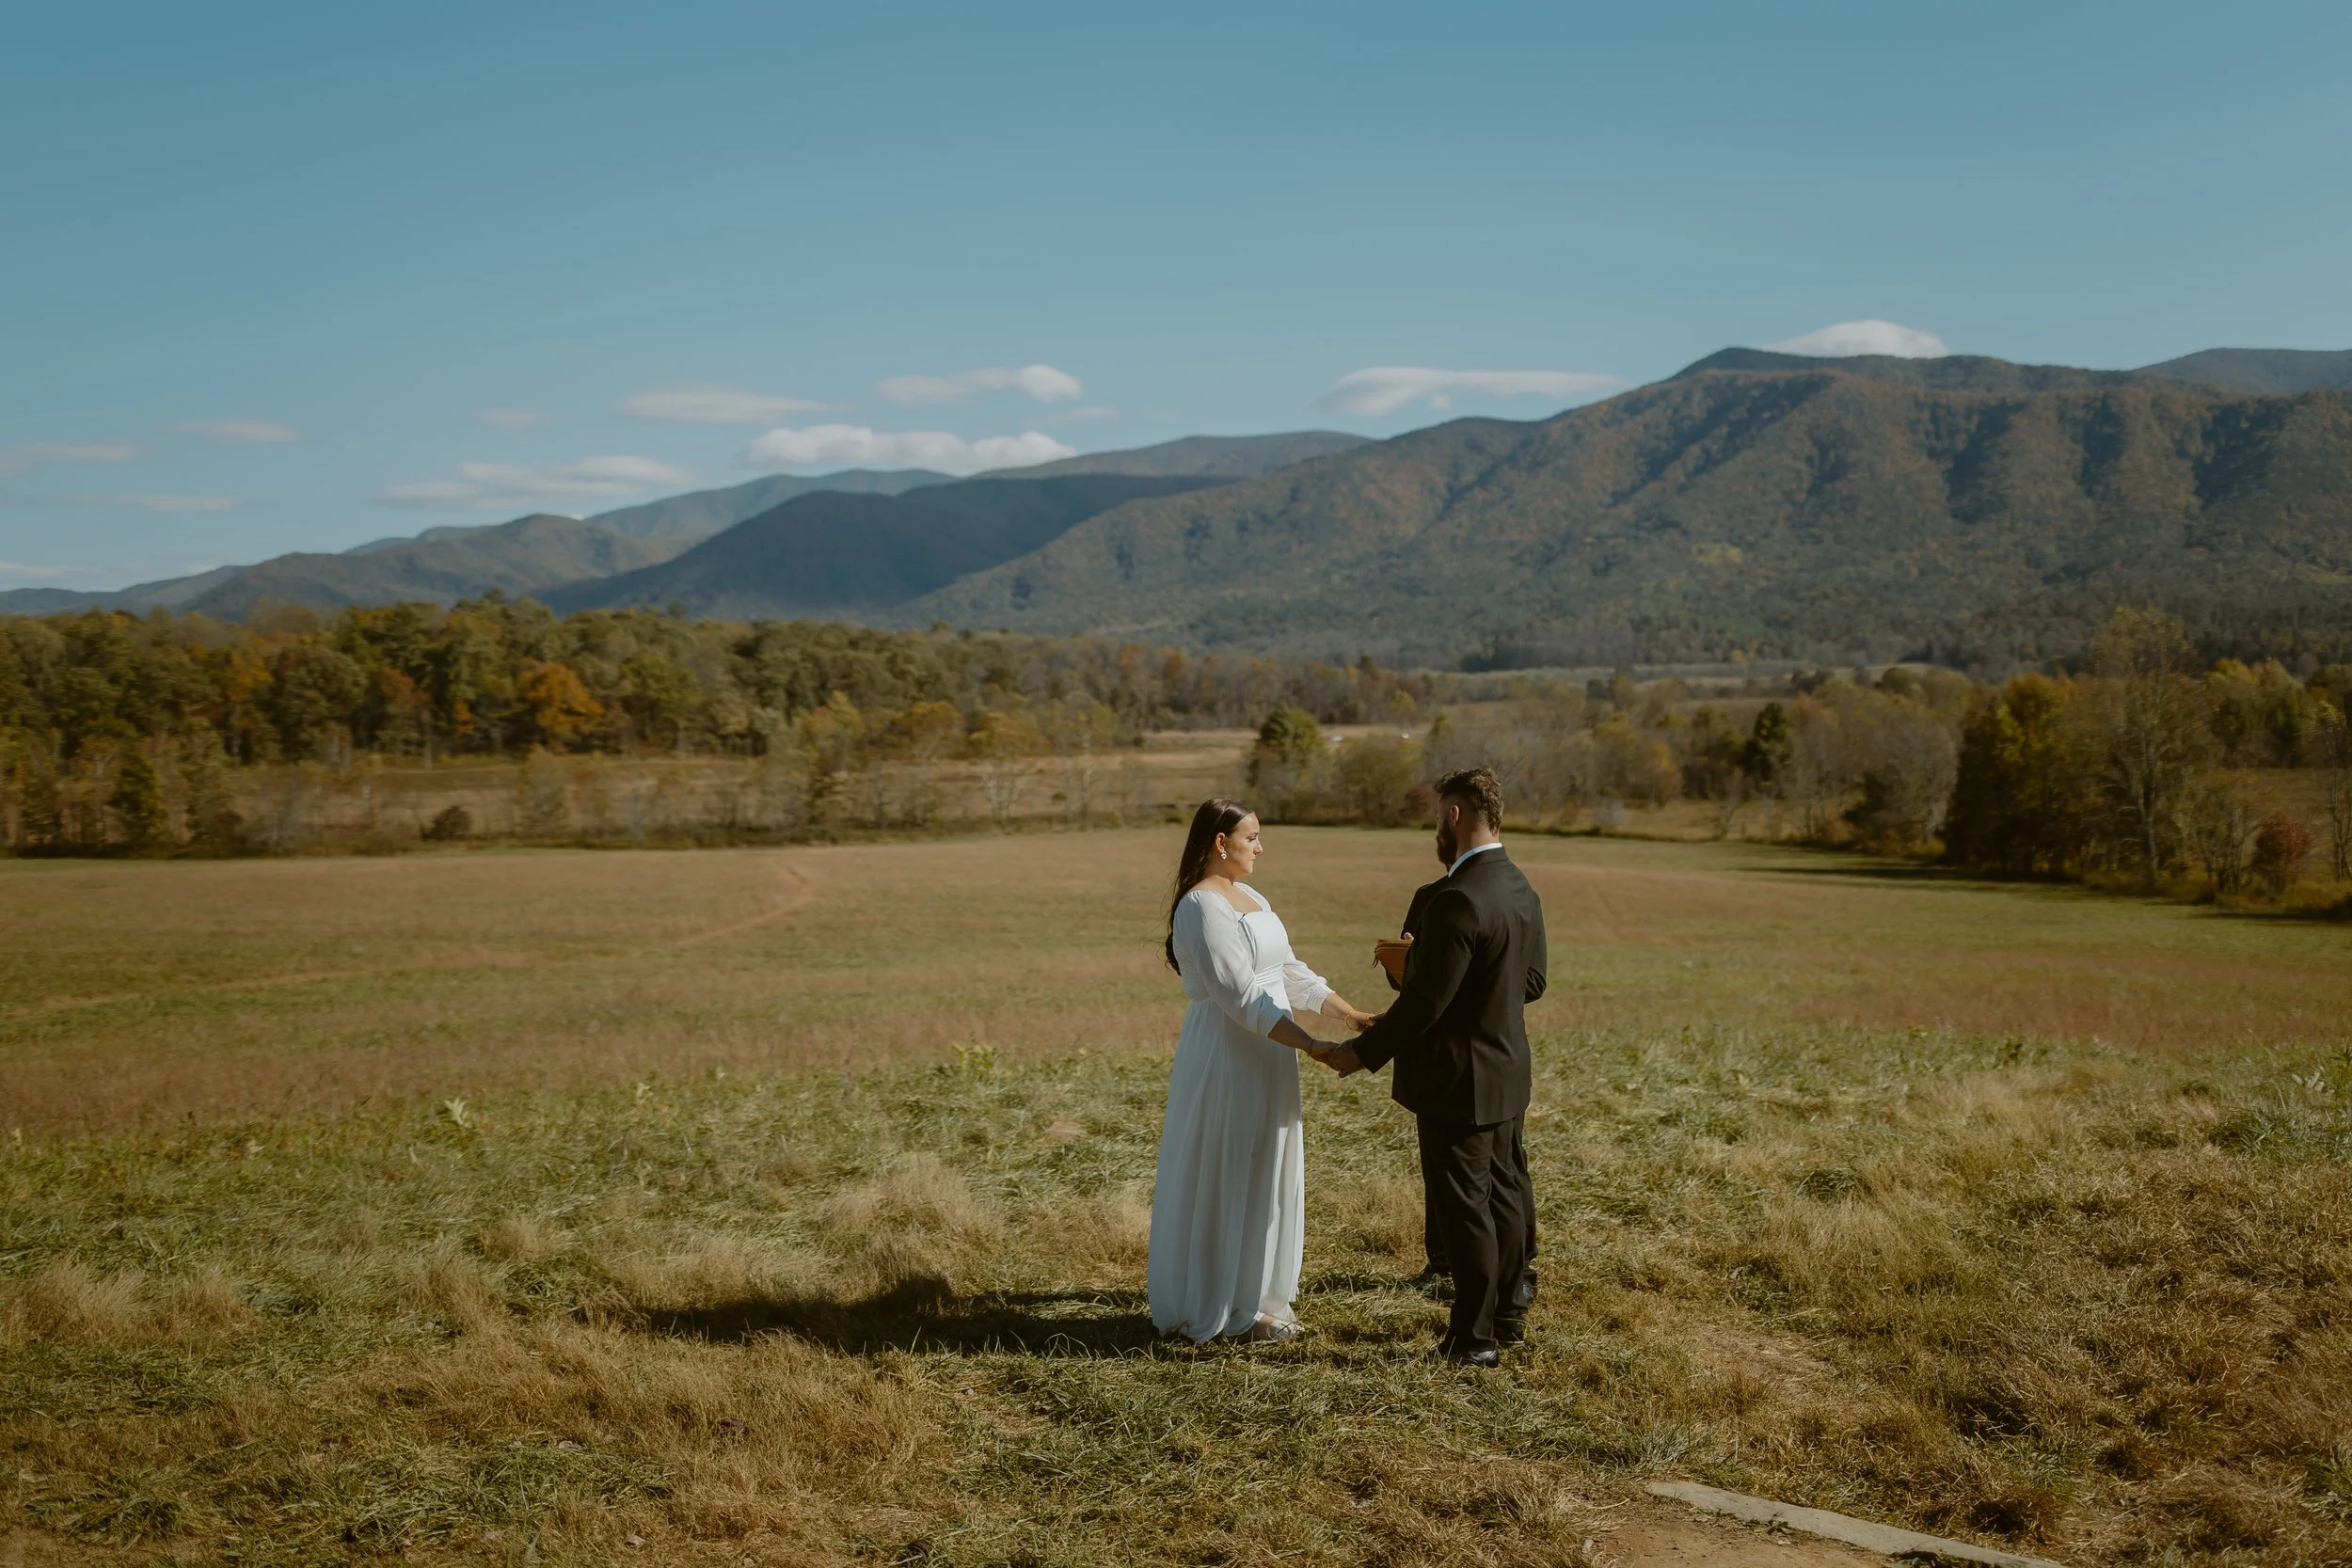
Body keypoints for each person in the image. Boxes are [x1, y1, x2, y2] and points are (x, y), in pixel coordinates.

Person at [1330, 768, 1548, 1367]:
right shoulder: (1519, 886)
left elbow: (1425, 1004)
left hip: (1458, 1079)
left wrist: (1361, 1054)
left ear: (1454, 814)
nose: (1436, 827)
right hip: (1507, 1070)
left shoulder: (1456, 898)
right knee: (1506, 1193)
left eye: (1437, 815)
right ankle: (1508, 1317)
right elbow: (1531, 981)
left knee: (1465, 1208)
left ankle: (1473, 1340)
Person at [1148, 799, 1375, 1343]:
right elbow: (1241, 996)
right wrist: (1312, 1044)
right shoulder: (1200, 906)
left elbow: (1288, 971)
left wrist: (1349, 1014)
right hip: (1228, 1053)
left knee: (1267, 1165)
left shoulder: (1253, 897)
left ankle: (1259, 1297)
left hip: (1272, 1048)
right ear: (1220, 842)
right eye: (1251, 837)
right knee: (1229, 1166)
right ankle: (1224, 1304)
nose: (1260, 847)